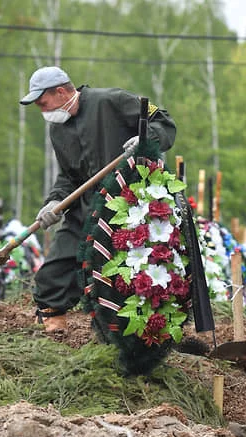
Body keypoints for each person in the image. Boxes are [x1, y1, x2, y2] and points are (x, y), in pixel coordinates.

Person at [20, 66, 177, 332]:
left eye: (42, 103)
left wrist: (144, 138)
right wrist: (54, 202)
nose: (42, 110)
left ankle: (126, 329)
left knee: (119, 274)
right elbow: (69, 177)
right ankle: (53, 322)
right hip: (87, 209)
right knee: (53, 271)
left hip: (130, 204)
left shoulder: (112, 100)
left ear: (60, 91)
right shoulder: (58, 131)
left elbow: (164, 122)